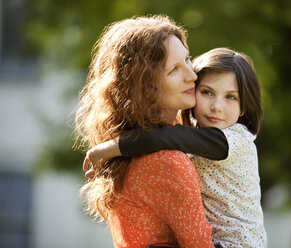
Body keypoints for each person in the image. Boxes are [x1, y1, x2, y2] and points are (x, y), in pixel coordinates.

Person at [74, 15, 231, 248]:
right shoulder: (167, 162)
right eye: (174, 70)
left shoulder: (127, 155)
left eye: (188, 60)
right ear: (145, 86)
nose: (193, 75)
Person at [84, 48, 267, 247]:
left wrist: (107, 150)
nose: (217, 106)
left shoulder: (234, 140)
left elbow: (165, 137)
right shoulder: (198, 135)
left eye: (231, 97)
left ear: (244, 107)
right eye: (207, 92)